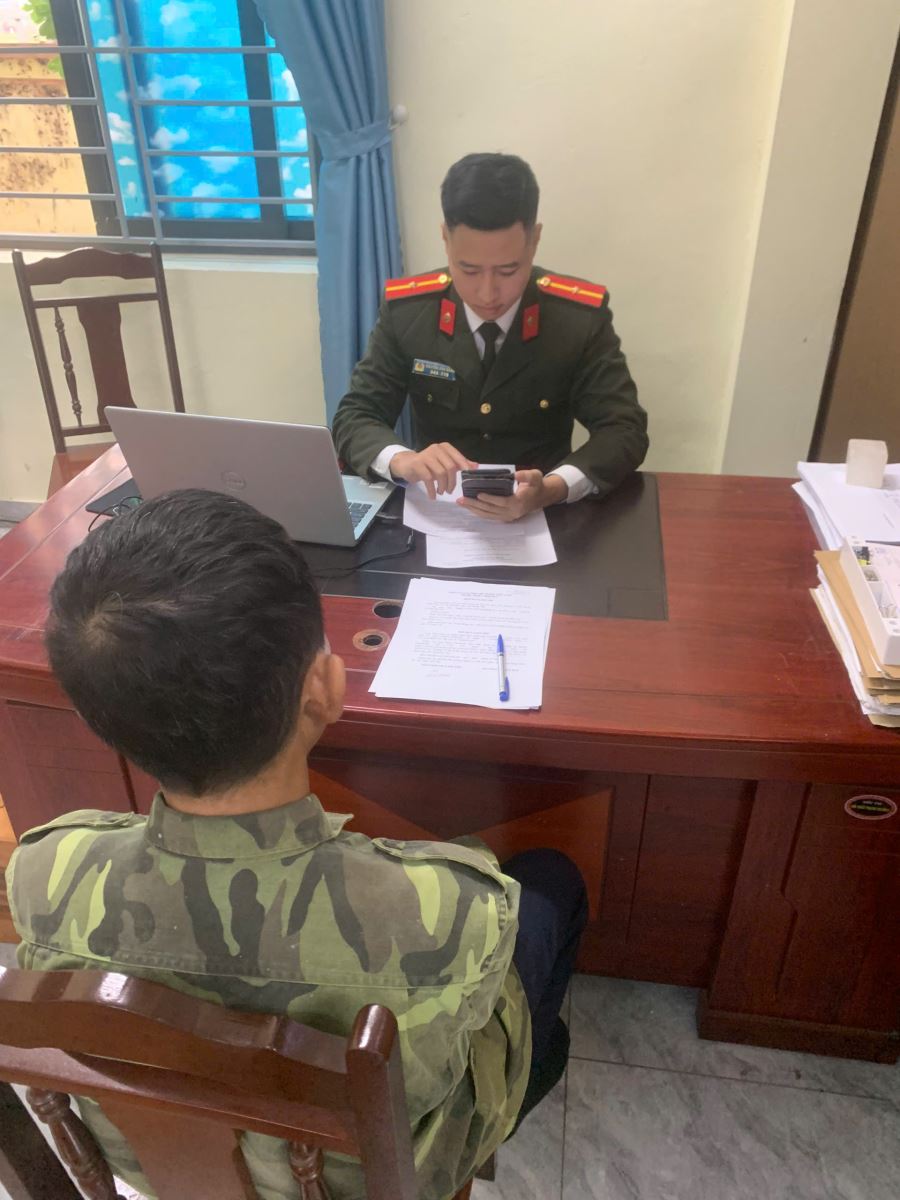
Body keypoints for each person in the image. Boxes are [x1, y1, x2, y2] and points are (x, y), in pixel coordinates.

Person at [8, 489, 586, 1200]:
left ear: (102, 717)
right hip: (372, 1181)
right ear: (323, 690)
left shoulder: (43, 872)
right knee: (551, 887)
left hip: (152, 1170)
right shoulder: (456, 912)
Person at [332, 152, 648, 523]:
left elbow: (623, 429)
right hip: (436, 513)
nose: (487, 293)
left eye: (508, 270)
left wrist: (553, 488)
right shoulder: (409, 311)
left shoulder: (577, 319)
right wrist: (403, 460)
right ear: (445, 238)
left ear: (535, 240)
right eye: (468, 270)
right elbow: (356, 415)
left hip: (544, 515)